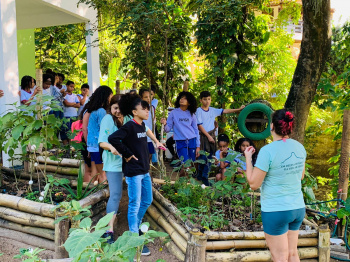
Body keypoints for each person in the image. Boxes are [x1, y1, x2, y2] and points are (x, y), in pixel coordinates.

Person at [244, 109, 306, 262]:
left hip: (276, 210)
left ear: (271, 126)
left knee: (279, 258)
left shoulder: (268, 151)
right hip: (297, 208)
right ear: (290, 127)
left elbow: (253, 184)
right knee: (292, 254)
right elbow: (301, 176)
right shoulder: (299, 147)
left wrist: (248, 158)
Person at [108, 93, 163, 256]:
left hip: (144, 171)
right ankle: (134, 239)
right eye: (144, 109)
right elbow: (112, 138)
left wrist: (157, 141)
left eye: (147, 109)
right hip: (133, 172)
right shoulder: (129, 126)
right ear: (134, 111)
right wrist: (126, 154)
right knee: (134, 203)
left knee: (147, 200)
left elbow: (147, 133)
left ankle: (135, 226)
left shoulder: (141, 126)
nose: (147, 111)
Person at [196, 91, 245, 185]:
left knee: (210, 156)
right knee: (205, 157)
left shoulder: (212, 110)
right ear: (201, 100)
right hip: (204, 136)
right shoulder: (199, 111)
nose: (207, 101)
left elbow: (224, 111)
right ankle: (203, 177)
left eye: (209, 99)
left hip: (211, 136)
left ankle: (201, 175)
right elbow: (200, 126)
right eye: (205, 99)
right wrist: (209, 136)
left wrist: (238, 109)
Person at [98, 95, 124, 244]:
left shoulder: (128, 119)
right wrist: (111, 147)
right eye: (115, 108)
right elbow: (102, 142)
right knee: (115, 195)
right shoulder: (107, 119)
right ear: (111, 107)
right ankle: (109, 230)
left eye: (121, 108)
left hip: (129, 161)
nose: (118, 111)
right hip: (113, 163)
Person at [160, 91, 200, 164]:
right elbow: (167, 129)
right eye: (181, 98)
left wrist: (198, 146)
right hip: (180, 141)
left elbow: (196, 130)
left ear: (189, 102)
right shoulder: (173, 113)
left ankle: (188, 175)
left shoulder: (192, 114)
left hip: (192, 141)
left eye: (185, 98)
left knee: (192, 164)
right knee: (185, 164)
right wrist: (165, 124)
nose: (182, 99)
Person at [86, 86, 113, 183]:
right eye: (110, 96)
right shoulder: (101, 111)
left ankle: (93, 194)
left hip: (92, 145)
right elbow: (105, 129)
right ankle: (106, 195)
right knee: (102, 174)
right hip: (98, 146)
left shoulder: (94, 110)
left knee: (97, 172)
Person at [139, 89, 156, 158]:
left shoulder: (152, 108)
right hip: (141, 136)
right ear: (141, 98)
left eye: (149, 96)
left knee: (149, 155)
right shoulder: (138, 109)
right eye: (145, 97)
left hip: (150, 136)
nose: (148, 99)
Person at [62, 81, 80, 145]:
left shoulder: (75, 96)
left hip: (74, 115)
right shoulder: (64, 95)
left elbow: (78, 105)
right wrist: (74, 103)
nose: (72, 88)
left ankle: (71, 145)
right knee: (67, 131)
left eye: (73, 87)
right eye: (70, 86)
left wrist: (71, 104)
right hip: (66, 115)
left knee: (73, 131)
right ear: (67, 86)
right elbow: (66, 104)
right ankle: (66, 146)